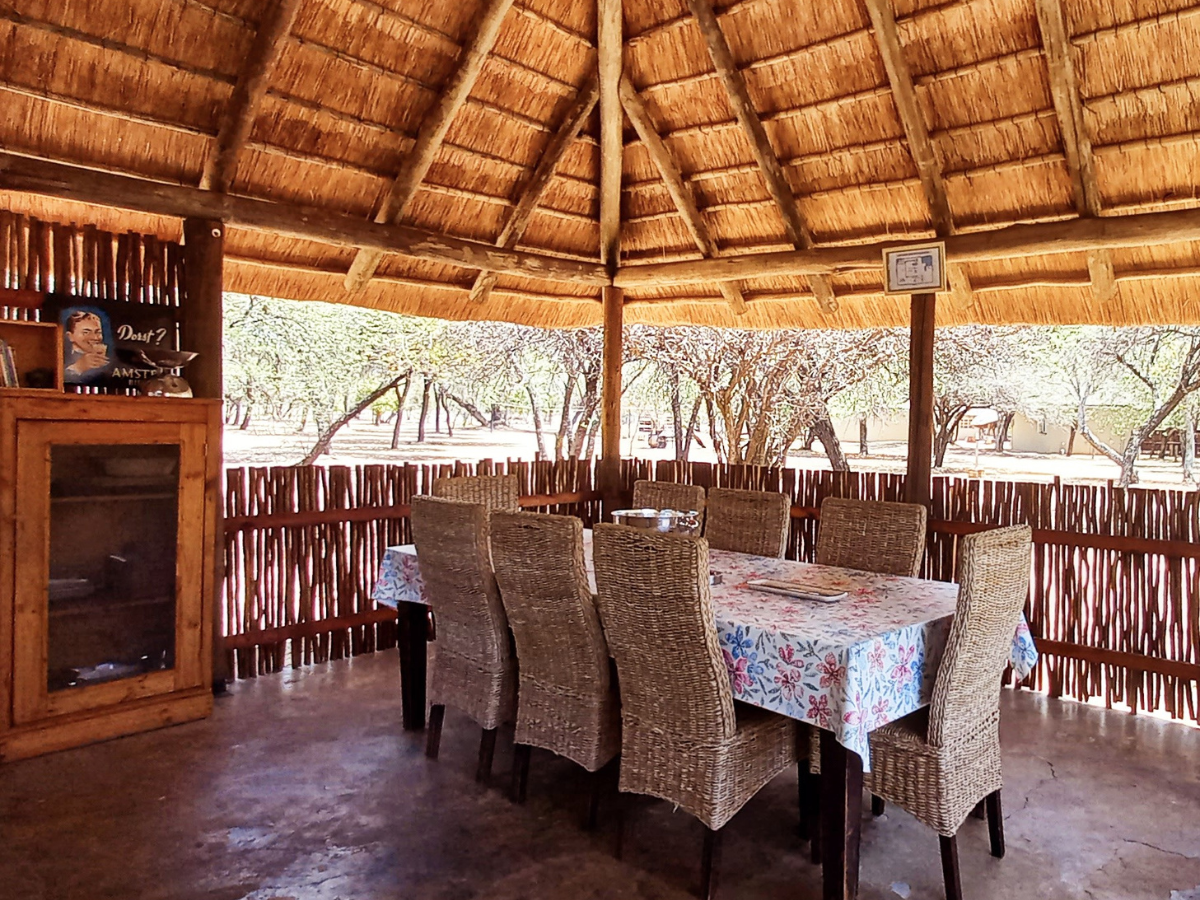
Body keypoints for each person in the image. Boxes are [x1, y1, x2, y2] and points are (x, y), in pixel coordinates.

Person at [64, 310, 109, 380]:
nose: (94, 337)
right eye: (86, 332)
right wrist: (78, 367)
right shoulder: (62, 358)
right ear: (70, 336)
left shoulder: (108, 358)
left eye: (98, 332)